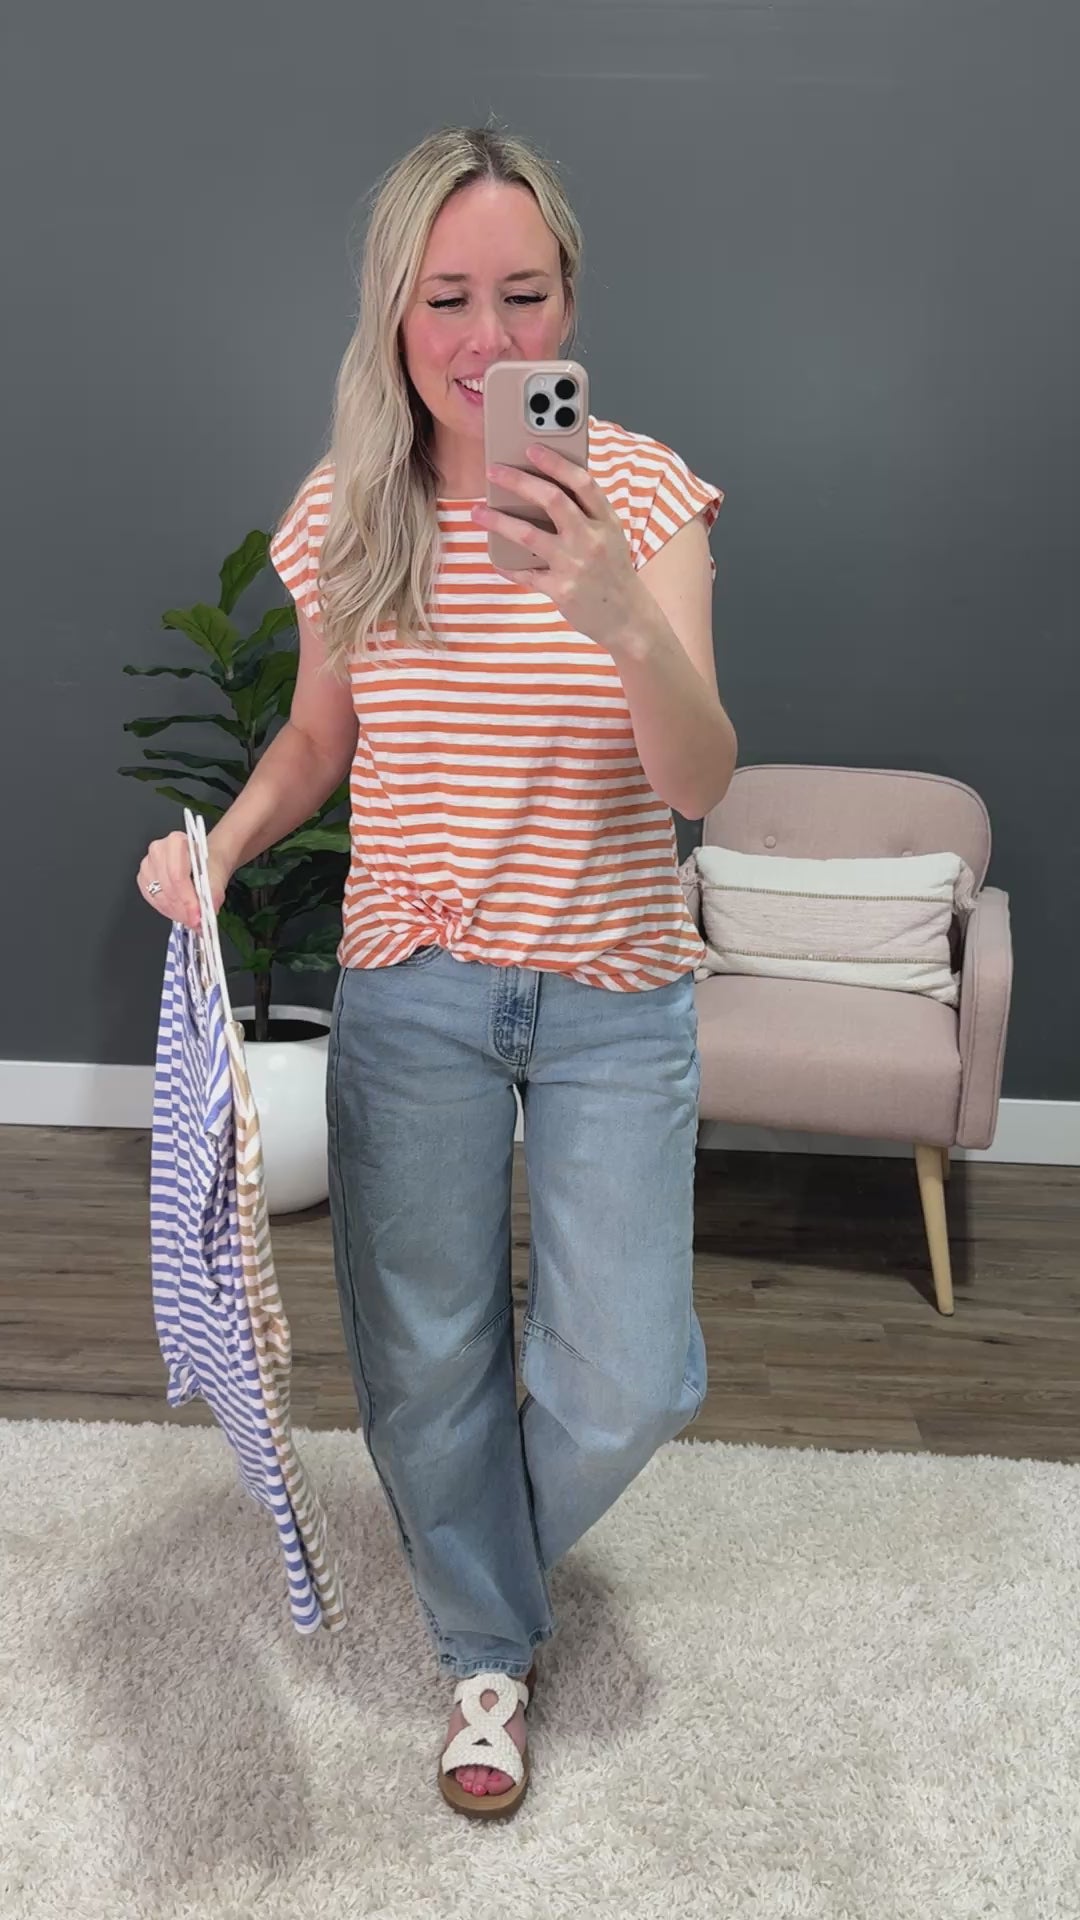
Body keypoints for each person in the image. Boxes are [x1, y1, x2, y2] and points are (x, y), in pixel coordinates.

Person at [137, 124, 737, 1818]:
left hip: (615, 982)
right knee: (426, 1359)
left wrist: (618, 610)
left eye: (523, 294)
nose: (489, 339)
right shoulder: (349, 510)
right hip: (414, 981)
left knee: (632, 1374)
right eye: (447, 298)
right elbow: (316, 739)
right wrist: (219, 851)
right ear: (393, 314)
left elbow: (699, 779)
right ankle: (486, 1657)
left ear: (570, 303)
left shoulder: (643, 495)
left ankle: (487, 1575)